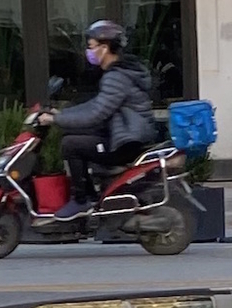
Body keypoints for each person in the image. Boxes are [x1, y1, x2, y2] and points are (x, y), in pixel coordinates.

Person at [49, 20, 156, 202]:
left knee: (71, 145)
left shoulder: (116, 77)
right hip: (126, 135)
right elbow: (96, 104)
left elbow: (97, 113)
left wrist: (55, 120)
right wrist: (62, 114)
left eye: (91, 47)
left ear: (104, 48)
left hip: (125, 143)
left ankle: (82, 201)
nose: (88, 52)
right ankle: (91, 195)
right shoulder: (120, 72)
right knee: (73, 135)